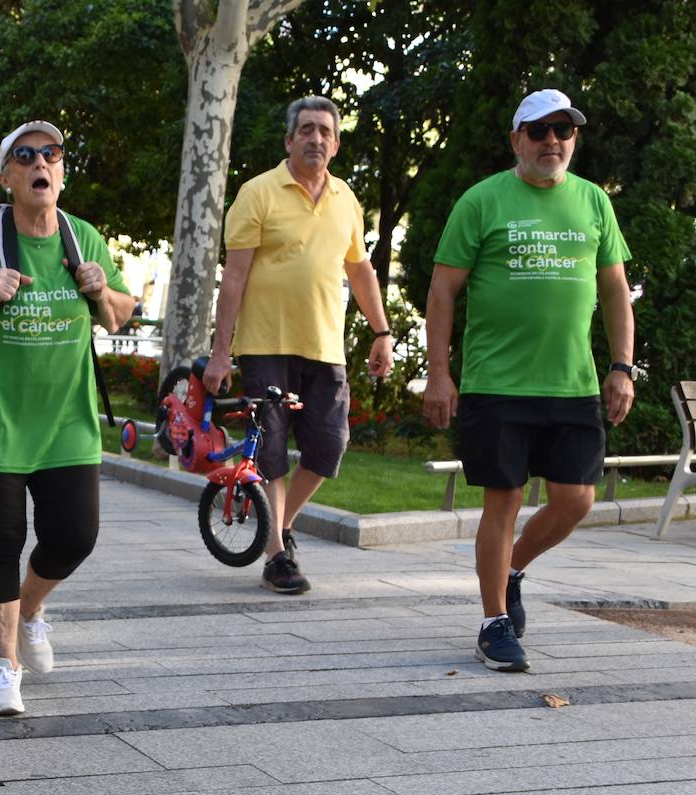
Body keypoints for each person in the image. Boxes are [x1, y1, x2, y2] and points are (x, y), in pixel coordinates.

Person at [0, 120, 135, 716]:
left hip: (66, 422)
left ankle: (31, 608)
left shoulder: (82, 236)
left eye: (52, 154)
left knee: (75, 536)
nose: (42, 162)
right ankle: (3, 665)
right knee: (1, 540)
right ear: (6, 175)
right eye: (26, 155)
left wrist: (101, 291)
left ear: (61, 172)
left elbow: (119, 313)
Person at [422, 89, 636, 673]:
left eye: (563, 132)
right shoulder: (482, 201)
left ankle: (510, 568)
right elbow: (442, 292)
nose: (552, 143)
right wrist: (438, 375)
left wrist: (622, 366)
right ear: (516, 138)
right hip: (498, 383)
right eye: (539, 132)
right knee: (505, 498)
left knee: (576, 499)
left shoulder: (593, 202)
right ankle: (494, 623)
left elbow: (616, 290)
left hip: (573, 383)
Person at [202, 95, 394, 596]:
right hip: (265, 345)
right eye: (306, 130)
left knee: (329, 446)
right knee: (269, 454)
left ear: (335, 142)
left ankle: (279, 525)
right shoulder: (258, 193)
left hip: (325, 347)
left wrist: (381, 332)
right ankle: (277, 559)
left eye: (325, 131)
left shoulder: (346, 199)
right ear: (289, 140)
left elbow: (360, 270)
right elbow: (235, 278)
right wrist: (222, 351)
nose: (316, 139)